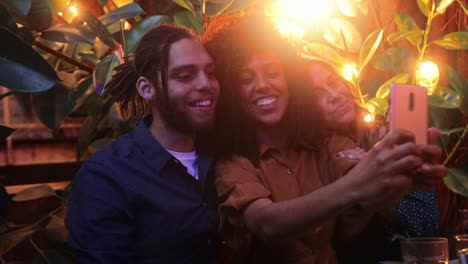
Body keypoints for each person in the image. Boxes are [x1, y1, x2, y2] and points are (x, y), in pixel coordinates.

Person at [203, 13, 447, 263]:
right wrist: (359, 182)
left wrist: (397, 174)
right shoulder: (232, 164)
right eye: (246, 79)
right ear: (232, 93)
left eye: (273, 73)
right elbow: (268, 225)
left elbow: (362, 196)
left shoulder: (324, 143)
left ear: (290, 80)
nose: (263, 85)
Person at [66, 24, 221, 263]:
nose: (206, 84)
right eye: (185, 76)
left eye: (211, 73)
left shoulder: (224, 155)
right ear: (147, 89)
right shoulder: (107, 177)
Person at [306, 60, 441, 261]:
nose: (334, 96)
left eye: (333, 82)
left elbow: (427, 228)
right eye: (318, 95)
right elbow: (335, 243)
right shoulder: (312, 161)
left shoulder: (387, 136)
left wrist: (381, 174)